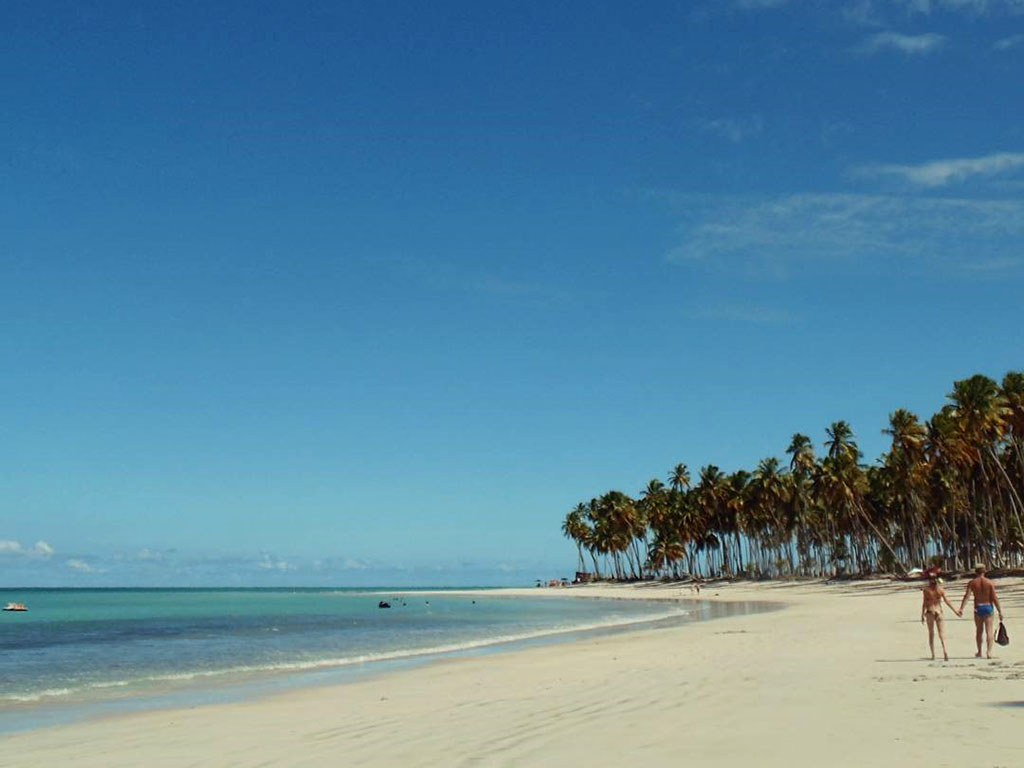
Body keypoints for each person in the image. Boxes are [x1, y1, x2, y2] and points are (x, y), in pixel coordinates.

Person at [959, 564, 1004, 659]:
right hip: (988, 607)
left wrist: (961, 608)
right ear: (985, 571)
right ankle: (989, 652)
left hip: (978, 608)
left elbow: (966, 596)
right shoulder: (989, 583)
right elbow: (994, 598)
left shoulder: (972, 583)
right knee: (989, 631)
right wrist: (1000, 611)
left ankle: (979, 651)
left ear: (976, 572)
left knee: (979, 631)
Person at [921, 569, 960, 661]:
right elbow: (947, 601)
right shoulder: (940, 590)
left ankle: (933, 654)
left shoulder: (926, 590)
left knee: (931, 634)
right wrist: (955, 611)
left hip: (930, 612)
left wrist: (922, 614)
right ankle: (945, 651)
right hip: (939, 611)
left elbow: (925, 603)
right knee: (942, 634)